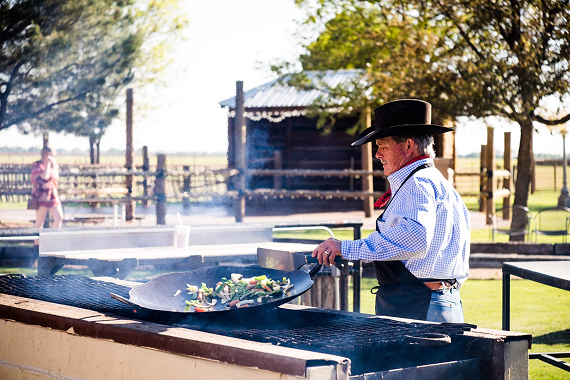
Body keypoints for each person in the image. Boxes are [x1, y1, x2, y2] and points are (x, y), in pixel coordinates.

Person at [313, 99, 470, 323]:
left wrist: (345, 248)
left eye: (383, 146)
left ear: (408, 145)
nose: (378, 154)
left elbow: (415, 238)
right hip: (434, 300)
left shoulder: (418, 183)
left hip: (419, 305)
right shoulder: (436, 182)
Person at [31, 146, 64, 230]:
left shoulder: (52, 166)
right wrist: (48, 164)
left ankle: (52, 239)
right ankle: (37, 243)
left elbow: (56, 178)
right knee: (39, 222)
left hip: (52, 196)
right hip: (41, 196)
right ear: (46, 155)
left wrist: (54, 166)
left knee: (59, 217)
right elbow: (44, 177)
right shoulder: (37, 166)